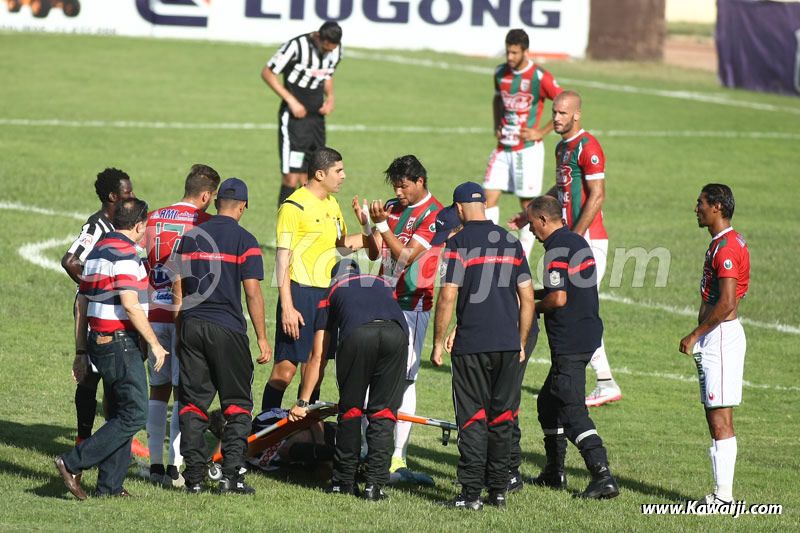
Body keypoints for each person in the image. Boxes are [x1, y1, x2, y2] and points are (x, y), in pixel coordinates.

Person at [509, 90, 622, 407]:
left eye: (562, 113)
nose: (556, 118)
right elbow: (559, 189)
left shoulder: (589, 146)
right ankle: (603, 381)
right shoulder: (562, 147)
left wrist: (574, 238)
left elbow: (597, 195)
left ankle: (604, 381)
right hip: (573, 239)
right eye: (554, 112)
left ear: (577, 115)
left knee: (578, 307)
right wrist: (532, 210)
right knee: (576, 306)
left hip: (587, 240)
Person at [54, 197, 169, 500]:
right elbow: (131, 305)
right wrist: (155, 344)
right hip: (120, 344)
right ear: (138, 225)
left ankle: (110, 486)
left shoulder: (98, 252)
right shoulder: (127, 256)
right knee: (135, 413)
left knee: (119, 411)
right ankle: (72, 462)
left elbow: (81, 304)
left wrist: (81, 351)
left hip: (99, 342)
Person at [430, 182, 534, 511]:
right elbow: (527, 297)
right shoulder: (511, 241)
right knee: (502, 418)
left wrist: (436, 341)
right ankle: (498, 491)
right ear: (484, 205)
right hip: (507, 345)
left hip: (472, 344)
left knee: (473, 418)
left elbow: (448, 294)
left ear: (459, 209)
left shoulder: (458, 242)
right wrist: (519, 341)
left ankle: (470, 493)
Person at [173, 177, 272, 495]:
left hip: (191, 324)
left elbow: (178, 287)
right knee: (238, 405)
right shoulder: (246, 240)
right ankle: (231, 477)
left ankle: (194, 480)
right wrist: (262, 338)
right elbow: (253, 293)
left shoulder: (190, 237)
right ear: (243, 206)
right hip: (227, 329)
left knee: (192, 405)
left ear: (216, 204)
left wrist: (181, 328)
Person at [289, 259, 408, 502]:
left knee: (351, 411)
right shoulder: (380, 282)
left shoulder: (331, 291)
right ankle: (374, 485)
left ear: (334, 278)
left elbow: (318, 355)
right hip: (398, 335)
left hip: (359, 334)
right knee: (384, 414)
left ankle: (344, 481)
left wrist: (303, 402)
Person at [524, 195, 619, 499]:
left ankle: (601, 473)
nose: (530, 231)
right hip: (587, 332)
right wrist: (525, 293)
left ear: (543, 220)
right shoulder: (577, 242)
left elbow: (558, 298)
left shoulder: (555, 251)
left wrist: (527, 308)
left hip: (570, 341)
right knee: (548, 404)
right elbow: (563, 288)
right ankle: (554, 471)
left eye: (531, 224)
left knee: (572, 408)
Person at [262, 147, 367, 413]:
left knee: (315, 369)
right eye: (338, 171)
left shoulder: (332, 203)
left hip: (328, 296)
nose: (344, 176)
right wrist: (287, 305)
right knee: (285, 372)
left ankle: (303, 432)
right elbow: (282, 258)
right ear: (320, 174)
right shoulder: (293, 206)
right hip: (300, 294)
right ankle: (265, 425)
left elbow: (341, 246)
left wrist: (370, 230)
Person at [141, 164, 220, 487]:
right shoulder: (207, 224)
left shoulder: (153, 217)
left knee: (157, 389)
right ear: (206, 195)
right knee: (183, 390)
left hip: (153, 312)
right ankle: (175, 466)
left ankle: (155, 465)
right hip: (186, 315)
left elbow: (142, 260)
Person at [363, 154, 443, 473]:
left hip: (413, 302)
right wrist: (366, 226)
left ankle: (398, 454)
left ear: (420, 181)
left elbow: (406, 256)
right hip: (384, 299)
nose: (399, 192)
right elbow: (373, 250)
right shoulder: (392, 209)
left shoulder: (433, 214)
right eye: (395, 186)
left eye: (404, 186)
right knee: (372, 371)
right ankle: (369, 447)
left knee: (406, 379)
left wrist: (381, 225)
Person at [60, 168, 147, 457]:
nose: (133, 196)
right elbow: (70, 260)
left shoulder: (123, 224)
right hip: (93, 311)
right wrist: (99, 288)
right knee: (91, 376)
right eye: (128, 192)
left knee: (116, 376)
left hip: (115, 315)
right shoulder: (96, 227)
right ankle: (83, 438)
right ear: (113, 196)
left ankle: (119, 436)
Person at [679, 184, 749, 507]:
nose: (697, 209)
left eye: (701, 203)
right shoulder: (722, 243)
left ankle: (723, 497)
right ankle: (722, 494)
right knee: (715, 416)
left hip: (720, 339)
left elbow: (726, 303)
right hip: (718, 338)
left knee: (720, 418)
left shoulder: (726, 248)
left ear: (718, 207)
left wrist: (696, 334)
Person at [483, 28, 562, 258]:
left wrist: (542, 131)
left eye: (515, 53)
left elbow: (563, 101)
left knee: (528, 205)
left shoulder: (539, 77)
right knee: (487, 198)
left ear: (526, 51)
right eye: (508, 52)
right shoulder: (500, 73)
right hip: (502, 147)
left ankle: (521, 257)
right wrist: (496, 123)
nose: (510, 57)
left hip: (526, 150)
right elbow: (497, 99)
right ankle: (489, 252)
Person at [261, 21, 343, 206]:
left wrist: (330, 97)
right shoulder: (296, 46)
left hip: (317, 119)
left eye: (332, 49)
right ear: (317, 37)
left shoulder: (336, 51)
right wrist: (291, 101)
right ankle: (284, 226)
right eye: (325, 49)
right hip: (294, 120)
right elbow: (267, 72)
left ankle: (306, 222)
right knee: (291, 177)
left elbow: (328, 74)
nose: (328, 53)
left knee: (314, 177)